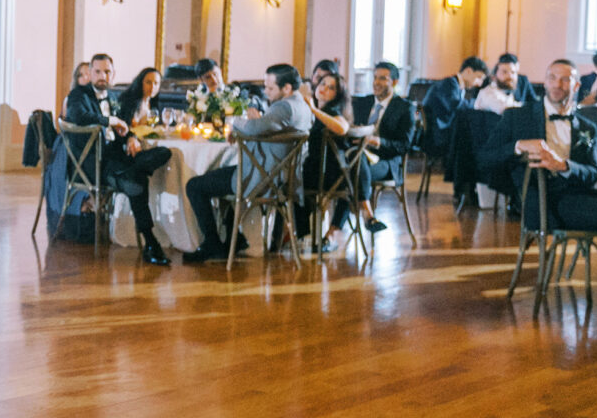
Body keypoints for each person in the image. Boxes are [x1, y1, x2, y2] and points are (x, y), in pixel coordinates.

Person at [480, 59, 597, 277]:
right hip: (541, 204)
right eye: (552, 78)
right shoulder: (518, 117)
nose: (557, 84)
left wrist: (564, 166)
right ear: (545, 82)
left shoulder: (588, 128)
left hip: (578, 200)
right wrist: (518, 146)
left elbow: (593, 173)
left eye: (565, 80)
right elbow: (485, 157)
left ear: (576, 86)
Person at [182, 63, 312, 263]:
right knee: (219, 173)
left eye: (269, 88)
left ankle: (212, 244)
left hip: (262, 179)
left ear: (286, 88)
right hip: (283, 177)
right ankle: (237, 238)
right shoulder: (302, 105)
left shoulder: (283, 107)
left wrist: (234, 123)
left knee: (194, 186)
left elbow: (254, 127)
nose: (266, 92)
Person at [67, 63, 174, 266]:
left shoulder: (114, 97)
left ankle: (132, 171)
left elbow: (125, 128)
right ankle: (151, 243)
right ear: (90, 73)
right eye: (97, 71)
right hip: (94, 164)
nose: (102, 76)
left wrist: (131, 138)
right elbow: (78, 116)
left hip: (118, 159)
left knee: (164, 152)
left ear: (113, 74)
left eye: (107, 72)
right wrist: (111, 120)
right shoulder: (79, 95)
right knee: (136, 182)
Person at [298, 68, 370, 252]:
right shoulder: (317, 109)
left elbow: (342, 128)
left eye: (330, 88)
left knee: (290, 182)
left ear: (337, 95)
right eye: (322, 84)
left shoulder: (332, 111)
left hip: (326, 175)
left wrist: (314, 110)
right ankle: (310, 236)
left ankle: (302, 235)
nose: (323, 89)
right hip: (328, 174)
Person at [350, 61, 416, 234]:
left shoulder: (405, 108)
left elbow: (404, 145)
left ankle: (356, 218)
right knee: (351, 168)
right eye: (375, 78)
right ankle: (367, 213)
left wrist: (376, 141)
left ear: (394, 82)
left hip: (387, 162)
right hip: (358, 157)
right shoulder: (362, 103)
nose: (376, 82)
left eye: (382, 79)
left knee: (350, 172)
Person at [422, 55, 486, 156]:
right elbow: (457, 106)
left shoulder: (455, 85)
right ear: (468, 71)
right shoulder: (448, 84)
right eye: (479, 78)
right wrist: (482, 102)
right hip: (436, 138)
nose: (479, 84)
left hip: (443, 134)